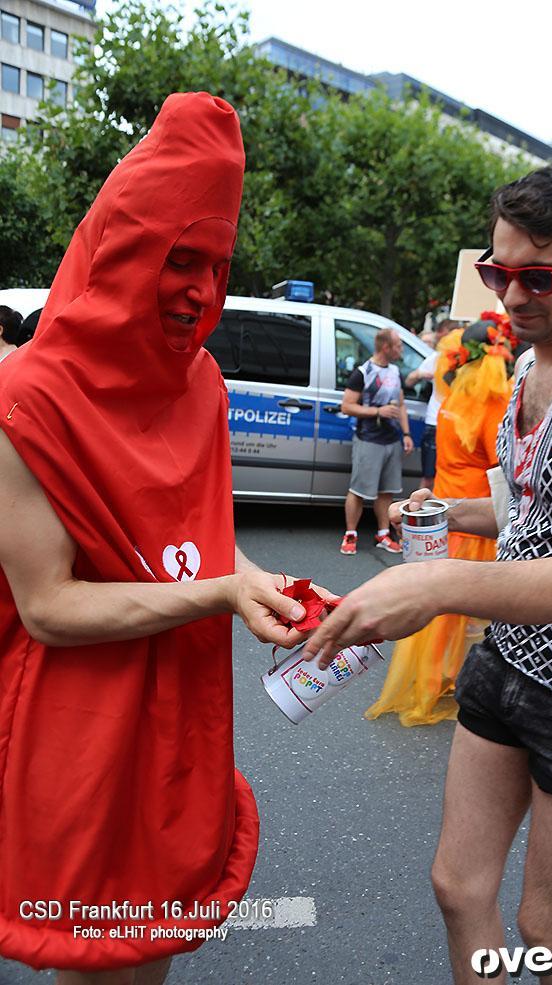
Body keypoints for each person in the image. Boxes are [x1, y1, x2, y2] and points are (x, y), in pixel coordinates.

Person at [0, 92, 335, 985]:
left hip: (179, 725)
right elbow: (50, 607)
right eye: (179, 259)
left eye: (218, 266)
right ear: (120, 248)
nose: (201, 291)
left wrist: (264, 585)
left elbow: (197, 546)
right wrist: (222, 592)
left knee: (151, 959)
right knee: (98, 966)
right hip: (79, 735)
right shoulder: (26, 398)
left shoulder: (203, 385)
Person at [304, 162, 552, 984]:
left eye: (536, 276)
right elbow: (531, 516)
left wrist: (432, 587)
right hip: (505, 659)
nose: (512, 296)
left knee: (545, 925)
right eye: (500, 273)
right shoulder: (524, 374)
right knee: (458, 888)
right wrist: (443, 515)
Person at [366, 315, 520, 726]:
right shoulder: (491, 404)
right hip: (474, 511)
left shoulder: (451, 397)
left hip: (445, 506)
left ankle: (435, 678)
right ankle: (445, 679)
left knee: (438, 603)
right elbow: (503, 466)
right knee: (462, 607)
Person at [339, 327, 414, 555]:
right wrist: (377, 411)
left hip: (391, 440)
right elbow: (347, 406)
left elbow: (400, 405)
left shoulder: (394, 372)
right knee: (359, 490)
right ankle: (350, 534)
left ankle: (383, 534)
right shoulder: (363, 372)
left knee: (386, 492)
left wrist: (406, 434)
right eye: (398, 346)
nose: (401, 350)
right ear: (386, 347)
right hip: (368, 438)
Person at [407, 319, 461, 488]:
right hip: (435, 423)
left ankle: (443, 513)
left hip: (458, 425)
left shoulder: (467, 361)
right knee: (429, 477)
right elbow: (409, 381)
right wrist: (420, 375)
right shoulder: (436, 359)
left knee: (450, 477)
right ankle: (421, 513)